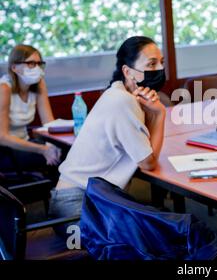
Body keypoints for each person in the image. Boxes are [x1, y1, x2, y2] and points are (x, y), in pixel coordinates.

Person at [48, 36, 167, 220]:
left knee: (161, 229)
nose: (159, 69)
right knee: (162, 236)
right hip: (78, 209)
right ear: (128, 72)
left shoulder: (119, 93)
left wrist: (151, 112)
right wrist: (160, 114)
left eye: (161, 62)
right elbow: (148, 163)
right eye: (151, 64)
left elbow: (146, 147)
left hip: (84, 200)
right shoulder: (122, 101)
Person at [0, 44, 61, 181]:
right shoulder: (4, 88)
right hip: (5, 151)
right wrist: (43, 150)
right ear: (14, 67)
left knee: (62, 152)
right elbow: (2, 137)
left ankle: (59, 194)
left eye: (39, 64)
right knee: (59, 159)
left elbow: (49, 124)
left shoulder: (39, 84)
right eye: (31, 63)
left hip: (25, 144)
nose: (37, 68)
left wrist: (52, 146)